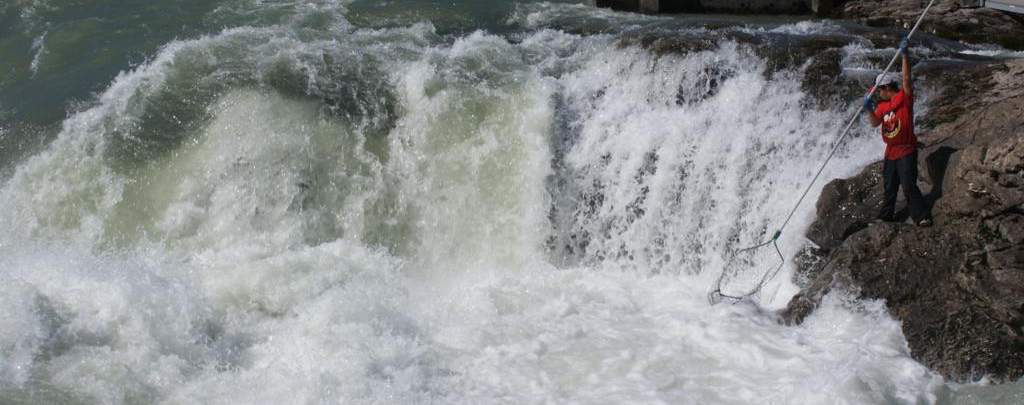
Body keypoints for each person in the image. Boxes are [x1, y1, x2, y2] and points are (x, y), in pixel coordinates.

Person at [863, 40, 932, 227]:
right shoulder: (882, 106)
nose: (878, 94)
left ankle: (921, 215)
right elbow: (875, 123)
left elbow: (907, 79)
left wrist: (904, 55)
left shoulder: (904, 98)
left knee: (908, 185)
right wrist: (869, 109)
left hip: (906, 150)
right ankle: (886, 216)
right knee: (889, 187)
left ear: (887, 88)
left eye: (879, 91)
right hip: (890, 152)